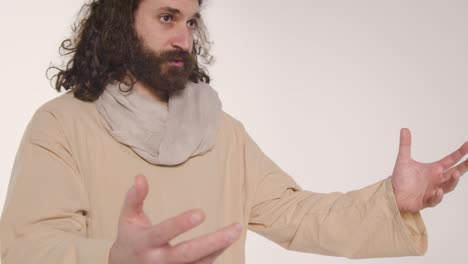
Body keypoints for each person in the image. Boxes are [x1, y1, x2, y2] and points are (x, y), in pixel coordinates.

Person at [0, 0, 467, 263]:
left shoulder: (221, 131)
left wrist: (391, 200)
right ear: (121, 22)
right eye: (167, 18)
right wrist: (113, 258)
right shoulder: (61, 124)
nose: (184, 38)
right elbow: (25, 248)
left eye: (191, 21)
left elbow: (295, 214)